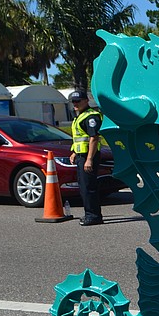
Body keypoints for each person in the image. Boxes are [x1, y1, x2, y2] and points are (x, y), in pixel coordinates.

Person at [69, 90, 104, 226]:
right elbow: (79, 138)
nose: (75, 104)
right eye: (73, 102)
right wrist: (74, 153)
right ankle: (89, 213)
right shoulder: (80, 116)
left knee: (88, 187)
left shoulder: (91, 117)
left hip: (89, 157)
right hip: (81, 156)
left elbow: (94, 138)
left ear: (86, 101)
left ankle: (93, 216)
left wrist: (89, 159)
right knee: (84, 186)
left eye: (78, 101)